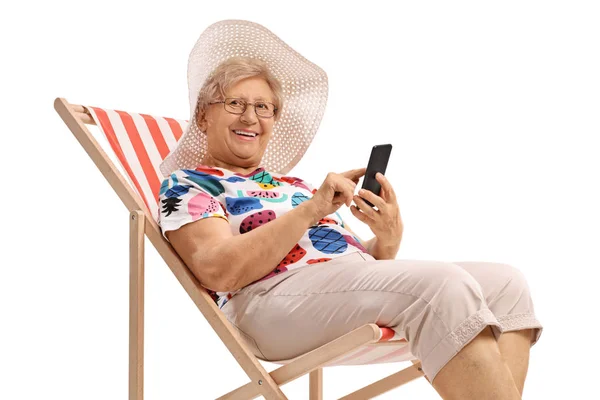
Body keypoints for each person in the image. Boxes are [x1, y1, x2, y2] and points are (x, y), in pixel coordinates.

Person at [157, 20, 543, 399]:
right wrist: (311, 210)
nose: (251, 117)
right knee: (443, 285)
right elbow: (219, 270)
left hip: (330, 293)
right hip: (266, 306)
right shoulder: (189, 184)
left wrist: (388, 237)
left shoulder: (290, 186)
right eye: (236, 103)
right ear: (204, 116)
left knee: (507, 284)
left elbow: (354, 269)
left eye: (264, 107)